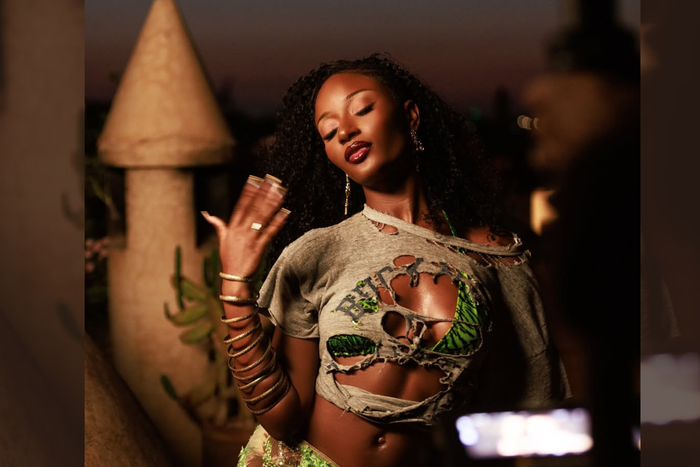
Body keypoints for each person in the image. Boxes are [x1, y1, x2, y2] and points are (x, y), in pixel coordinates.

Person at [203, 54, 569, 467]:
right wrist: (234, 286)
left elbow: (533, 399)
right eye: (329, 131)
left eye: (362, 109)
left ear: (410, 116)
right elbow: (282, 419)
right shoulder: (316, 252)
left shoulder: (496, 256)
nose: (345, 130)